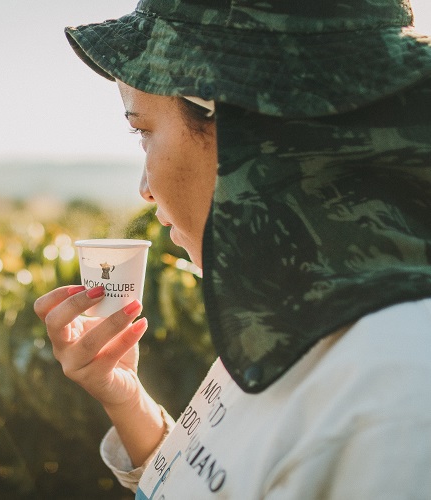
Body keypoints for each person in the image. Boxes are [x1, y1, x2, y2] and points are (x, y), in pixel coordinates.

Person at [34, 0, 431, 498]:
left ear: (246, 128)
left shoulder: (394, 408)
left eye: (142, 130)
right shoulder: (294, 309)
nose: (145, 188)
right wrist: (126, 400)